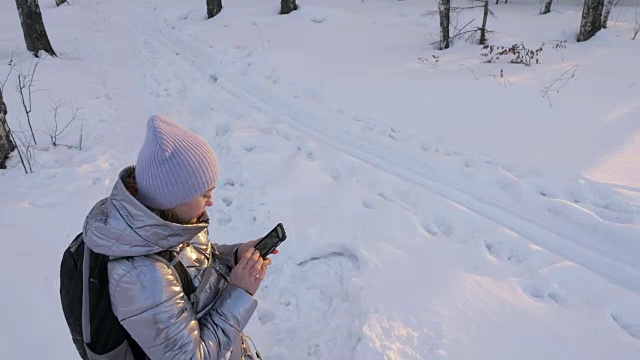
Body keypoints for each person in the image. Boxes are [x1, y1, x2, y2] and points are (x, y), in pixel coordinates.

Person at [82, 115, 271, 359]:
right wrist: (239, 293)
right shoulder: (141, 277)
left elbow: (189, 262)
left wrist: (234, 255)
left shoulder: (168, 223)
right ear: (174, 197)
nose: (211, 202)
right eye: (205, 194)